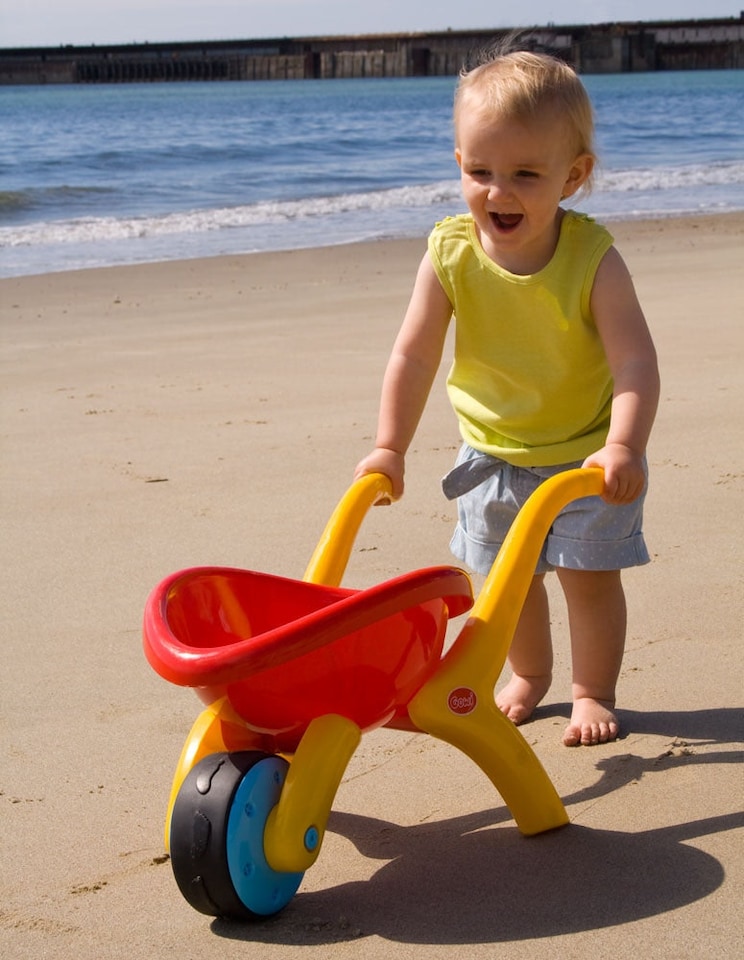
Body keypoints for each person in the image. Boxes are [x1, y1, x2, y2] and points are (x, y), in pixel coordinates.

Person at [354, 50, 660, 747]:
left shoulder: (593, 260)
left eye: (525, 174)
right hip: (490, 459)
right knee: (505, 584)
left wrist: (625, 444)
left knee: (588, 581)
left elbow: (635, 360)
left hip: (587, 458)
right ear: (459, 162)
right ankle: (529, 674)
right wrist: (389, 446)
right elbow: (413, 355)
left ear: (573, 176)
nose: (499, 192)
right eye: (480, 172)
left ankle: (592, 690)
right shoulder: (450, 254)